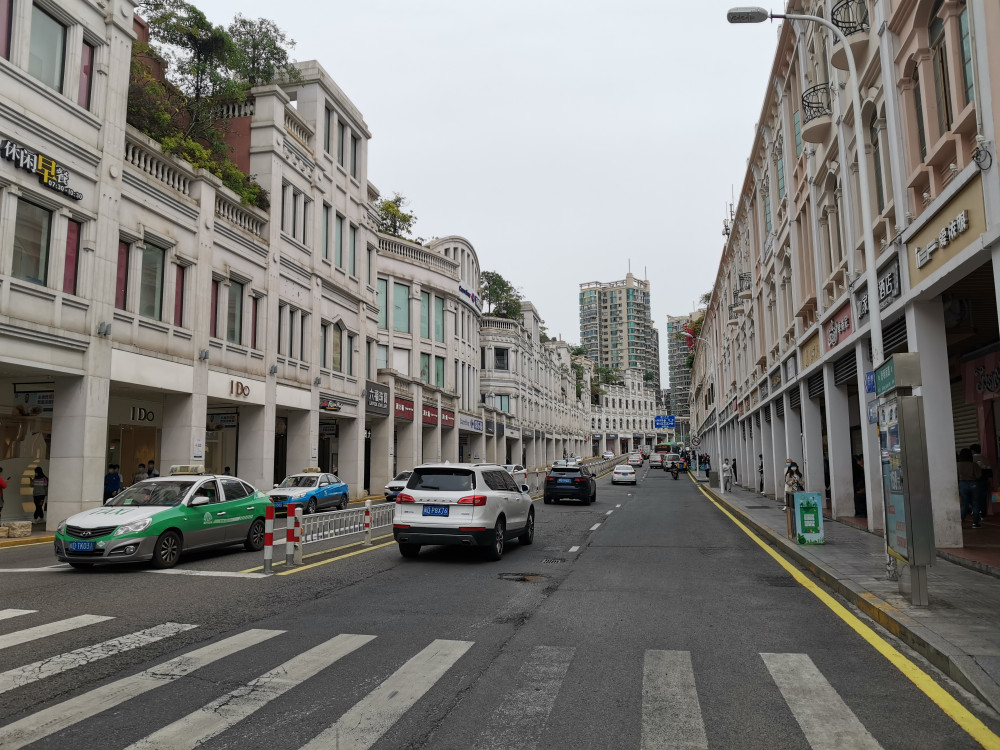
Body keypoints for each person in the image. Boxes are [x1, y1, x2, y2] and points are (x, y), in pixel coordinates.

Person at [958, 448, 984, 527]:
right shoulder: (974, 464)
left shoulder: (957, 465)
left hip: (962, 484)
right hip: (974, 484)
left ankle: (960, 520)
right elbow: (978, 475)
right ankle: (975, 523)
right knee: (975, 503)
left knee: (964, 504)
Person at [971, 444, 991, 528]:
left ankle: (976, 514)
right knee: (983, 498)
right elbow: (990, 472)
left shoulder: (971, 459)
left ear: (973, 451)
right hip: (984, 481)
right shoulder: (985, 459)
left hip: (975, 481)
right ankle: (983, 514)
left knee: (975, 499)